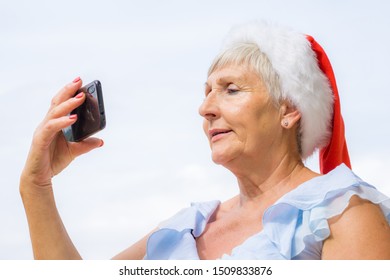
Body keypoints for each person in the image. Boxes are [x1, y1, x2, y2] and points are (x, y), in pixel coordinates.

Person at [20, 21, 390, 260]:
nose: (205, 108)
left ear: (289, 109)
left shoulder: (343, 214)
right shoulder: (187, 227)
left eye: (231, 90)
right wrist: (36, 188)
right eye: (207, 92)